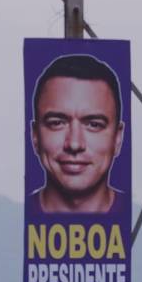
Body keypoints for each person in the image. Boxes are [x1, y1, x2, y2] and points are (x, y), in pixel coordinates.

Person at [29, 54, 126, 213]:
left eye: (94, 124)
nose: (74, 144)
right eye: (57, 123)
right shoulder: (12, 217)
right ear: (35, 136)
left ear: (118, 138)